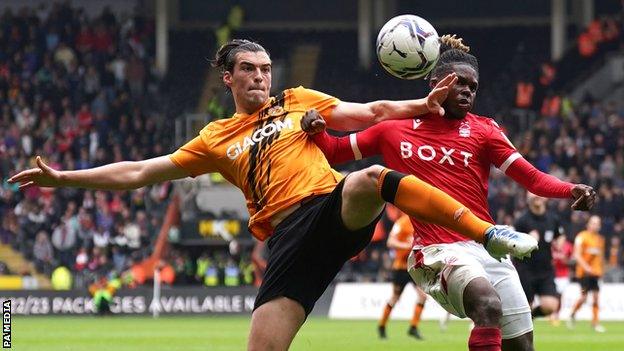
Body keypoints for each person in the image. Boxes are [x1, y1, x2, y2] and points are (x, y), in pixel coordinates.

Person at [9, 39, 536, 351]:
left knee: (372, 178)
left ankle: (488, 234)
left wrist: (423, 104)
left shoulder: (296, 102)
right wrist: (64, 178)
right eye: (249, 70)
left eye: (265, 70)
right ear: (228, 77)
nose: (261, 77)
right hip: (289, 239)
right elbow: (142, 171)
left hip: (331, 210)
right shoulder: (214, 139)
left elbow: (372, 112)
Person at [301, 35, 596, 351]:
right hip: (435, 249)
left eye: (473, 86)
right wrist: (316, 129)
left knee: (522, 345)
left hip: (486, 244)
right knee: (487, 304)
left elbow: (532, 179)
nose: (468, 91)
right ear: (435, 83)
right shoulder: (393, 129)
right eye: (460, 83)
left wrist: (570, 189)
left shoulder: (485, 130)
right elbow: (334, 151)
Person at [377, 213, 427, 340]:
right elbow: (390, 241)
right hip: (401, 268)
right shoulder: (401, 222)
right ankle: (382, 325)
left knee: (422, 296)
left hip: (415, 267)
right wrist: (407, 246)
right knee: (395, 297)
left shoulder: (422, 222)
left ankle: (413, 327)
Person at [512, 193, 562, 319]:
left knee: (551, 305)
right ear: (528, 198)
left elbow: (559, 235)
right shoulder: (521, 221)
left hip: (546, 270)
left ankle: (531, 316)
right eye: (532, 194)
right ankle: (522, 325)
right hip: (526, 269)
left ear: (546, 197)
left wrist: (559, 243)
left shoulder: (553, 218)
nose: (536, 197)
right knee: (525, 306)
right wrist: (527, 240)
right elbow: (511, 244)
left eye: (539, 194)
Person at [568, 215, 606, 333]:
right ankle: (573, 314)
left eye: (597, 223)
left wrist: (601, 271)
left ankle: (595, 323)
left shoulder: (600, 239)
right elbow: (577, 255)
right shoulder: (581, 237)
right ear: (588, 224)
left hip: (595, 273)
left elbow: (600, 257)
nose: (595, 225)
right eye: (593, 223)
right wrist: (586, 267)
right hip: (583, 273)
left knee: (596, 297)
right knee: (584, 297)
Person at [550, 234, 573, 326]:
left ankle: (556, 314)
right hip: (552, 274)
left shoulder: (568, 246)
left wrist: (565, 260)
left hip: (563, 275)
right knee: (554, 295)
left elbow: (572, 260)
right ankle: (552, 314)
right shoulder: (551, 246)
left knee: (559, 296)